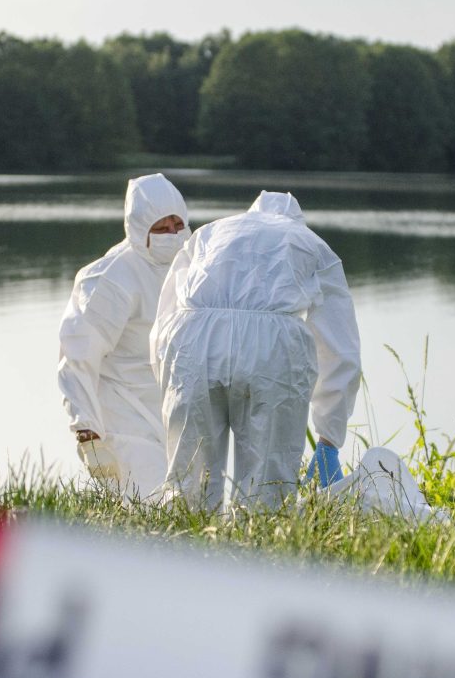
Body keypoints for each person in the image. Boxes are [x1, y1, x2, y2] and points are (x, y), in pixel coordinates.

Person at [151, 190, 361, 510]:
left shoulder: (210, 233)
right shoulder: (309, 242)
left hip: (193, 343)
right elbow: (338, 346)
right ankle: (258, 551)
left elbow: (164, 319)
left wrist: (169, 382)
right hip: (271, 350)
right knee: (268, 489)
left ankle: (180, 549)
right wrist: (329, 436)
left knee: (189, 484)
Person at [58, 172, 190, 498]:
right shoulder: (112, 277)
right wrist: (86, 431)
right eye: (160, 228)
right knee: (151, 506)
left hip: (170, 411)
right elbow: (77, 355)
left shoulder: (190, 264)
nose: (172, 235)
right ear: (138, 229)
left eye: (178, 225)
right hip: (122, 414)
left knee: (191, 511)